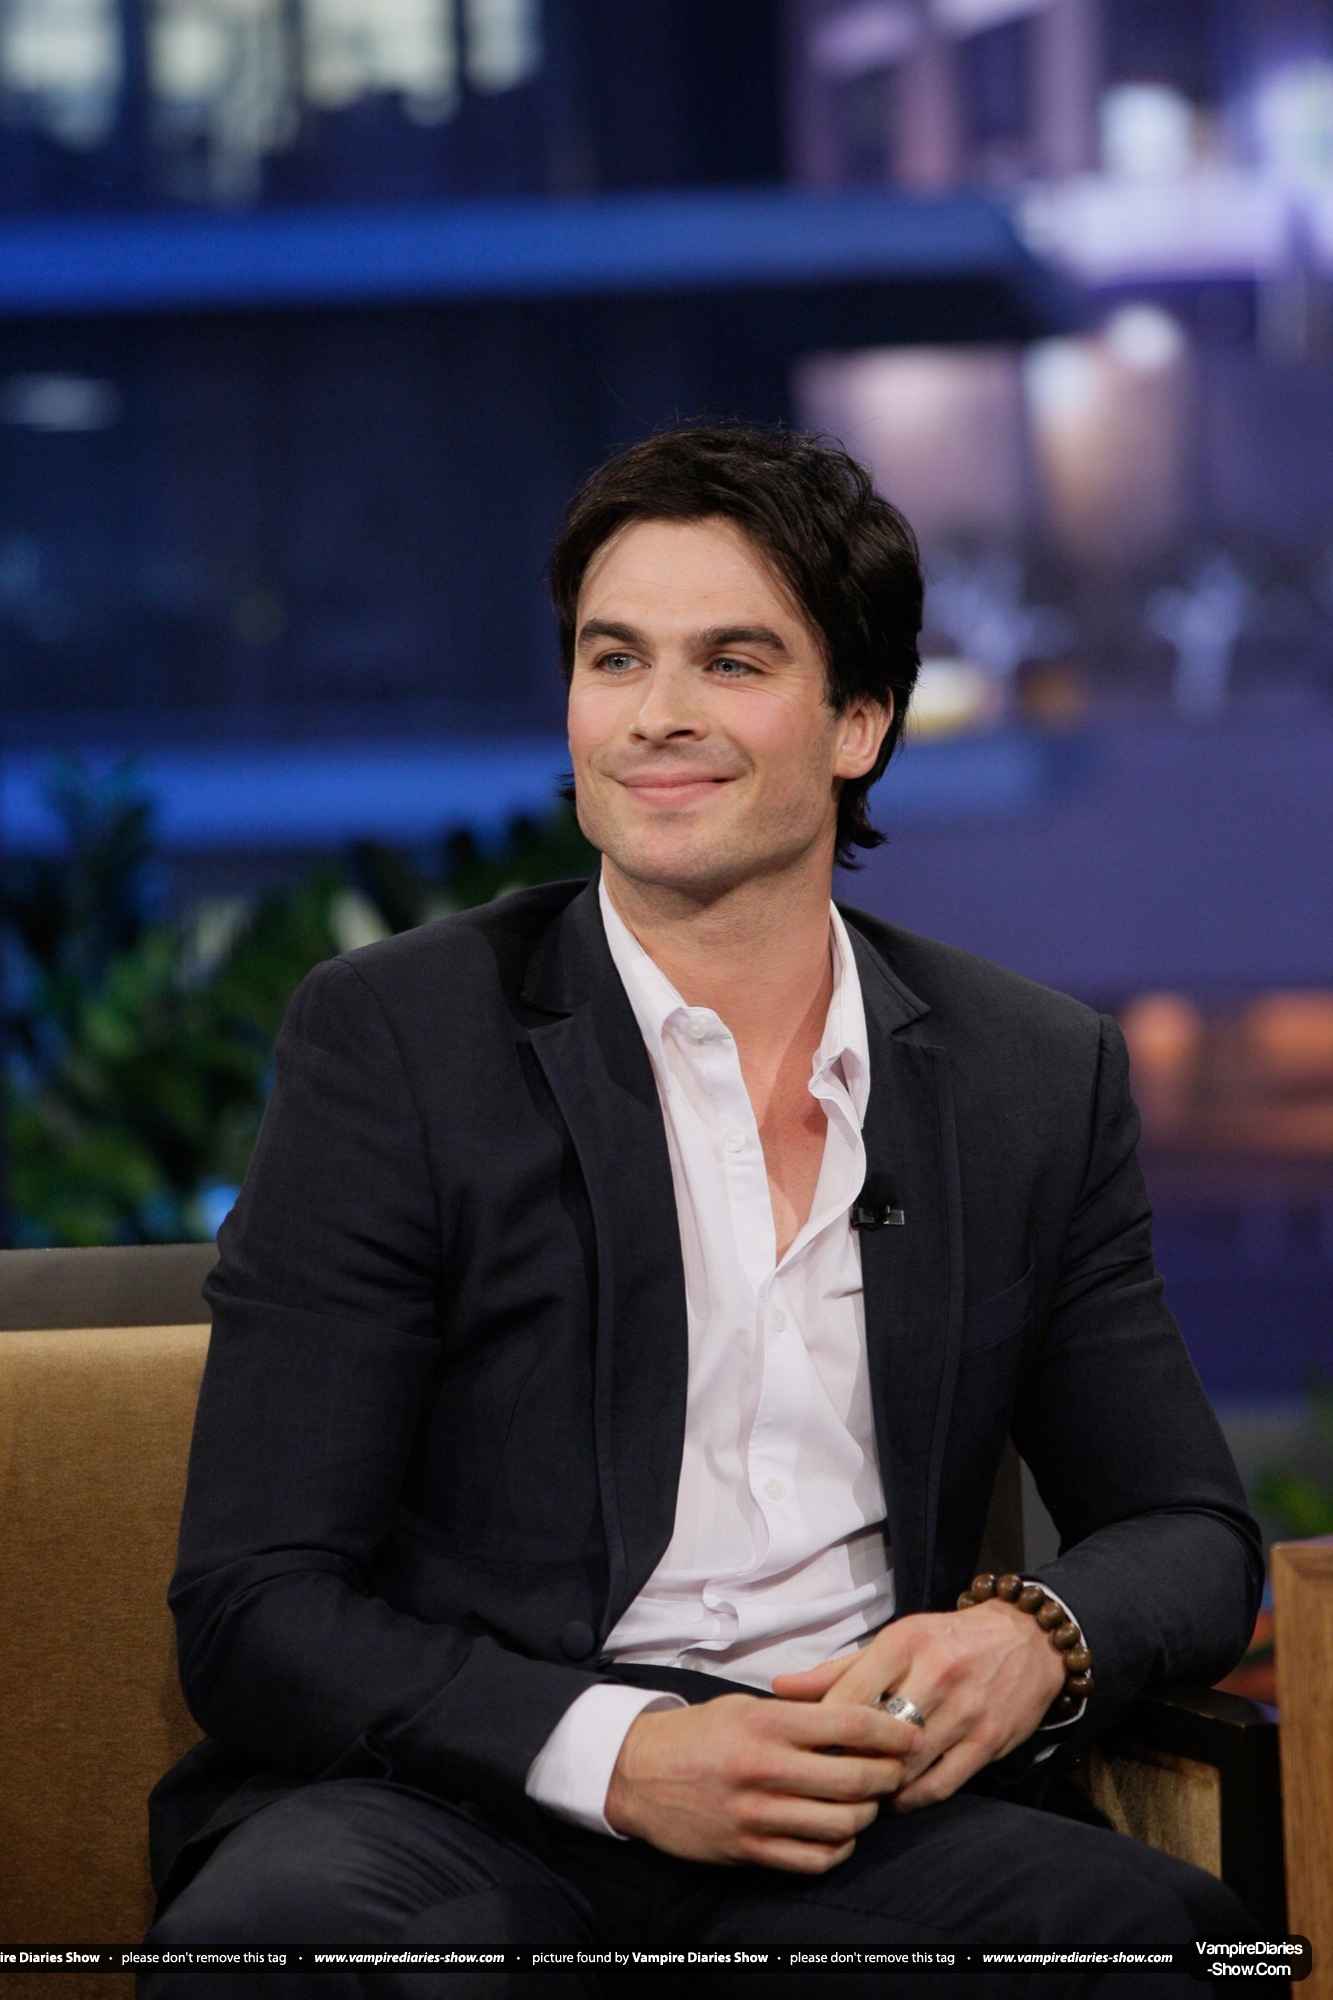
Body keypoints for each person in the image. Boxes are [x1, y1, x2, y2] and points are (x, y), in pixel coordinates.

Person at [143, 422, 1264, 1995]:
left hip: (853, 1807)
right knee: (285, 1951)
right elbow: (253, 1604)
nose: (654, 715)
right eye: (614, 659)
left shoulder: (1027, 1074)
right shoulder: (399, 1039)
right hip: (467, 1793)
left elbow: (1189, 1534)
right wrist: (621, 1754)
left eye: (730, 663)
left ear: (858, 721)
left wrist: (1034, 1637)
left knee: (1179, 1951)